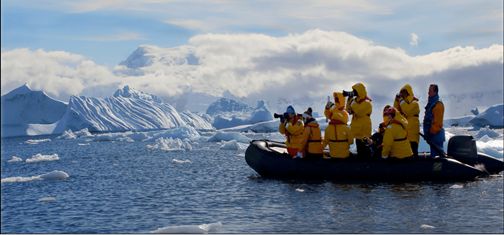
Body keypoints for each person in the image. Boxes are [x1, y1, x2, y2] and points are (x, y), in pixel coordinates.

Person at [322, 92, 354, 158]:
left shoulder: (343, 112)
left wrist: (332, 107)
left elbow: (338, 116)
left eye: (337, 98)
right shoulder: (335, 110)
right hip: (343, 150)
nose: (336, 99)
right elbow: (351, 141)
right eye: (335, 98)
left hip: (335, 147)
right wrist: (327, 108)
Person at [345, 83, 372, 158]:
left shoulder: (367, 102)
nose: (354, 92)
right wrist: (349, 100)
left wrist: (352, 101)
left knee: (365, 153)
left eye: (355, 91)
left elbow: (357, 110)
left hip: (364, 132)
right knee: (360, 153)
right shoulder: (356, 101)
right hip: (357, 132)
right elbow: (349, 110)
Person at [393, 84, 420, 158]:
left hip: (412, 136)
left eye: (404, 92)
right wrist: (396, 101)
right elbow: (395, 112)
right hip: (404, 136)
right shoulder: (402, 104)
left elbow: (407, 110)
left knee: (413, 153)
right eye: (401, 92)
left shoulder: (415, 103)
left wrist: (401, 101)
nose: (403, 94)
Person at [423, 84, 445, 158]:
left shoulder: (438, 105)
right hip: (432, 138)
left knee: (437, 160)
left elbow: (438, 124)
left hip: (437, 139)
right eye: (428, 91)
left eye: (430, 91)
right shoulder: (431, 104)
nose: (428, 93)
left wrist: (430, 132)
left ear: (435, 92)